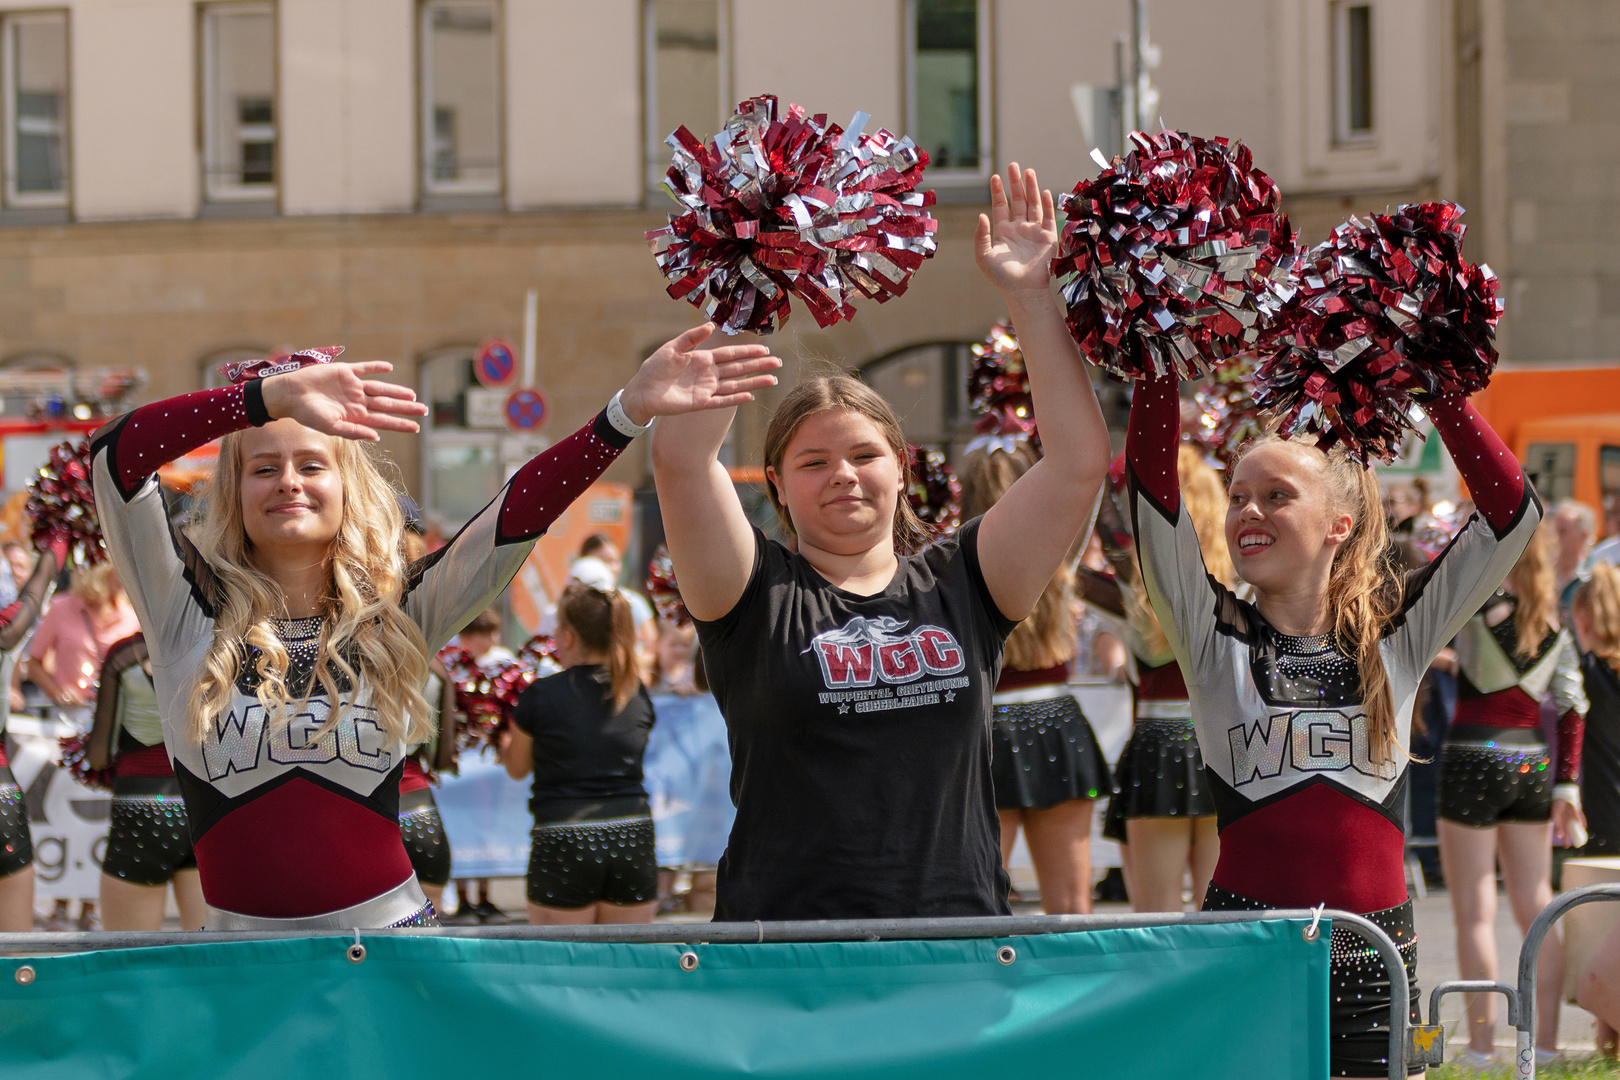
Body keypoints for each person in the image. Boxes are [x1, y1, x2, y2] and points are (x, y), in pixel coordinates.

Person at [90, 336, 778, 930]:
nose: (288, 483)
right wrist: (265, 399)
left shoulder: (399, 610)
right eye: (262, 467)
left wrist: (626, 413)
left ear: (347, 485)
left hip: (394, 954)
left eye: (311, 464)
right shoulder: (181, 608)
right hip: (245, 968)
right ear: (233, 491)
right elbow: (113, 458)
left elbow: (516, 516)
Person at [652, 164, 1111, 920]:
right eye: (814, 462)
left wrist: (1032, 297)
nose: (843, 476)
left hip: (955, 942)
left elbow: (1076, 464)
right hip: (789, 958)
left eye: (864, 456)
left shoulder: (963, 579)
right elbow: (679, 459)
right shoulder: (752, 593)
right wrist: (756, 265)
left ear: (900, 468)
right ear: (777, 484)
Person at [1127, 372, 1539, 1077]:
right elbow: (1150, 489)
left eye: (1276, 495)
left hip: (1376, 959)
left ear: (1337, 525)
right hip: (1245, 946)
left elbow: (1511, 513)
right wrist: (1155, 350)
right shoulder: (1208, 630)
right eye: (1237, 497)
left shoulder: (1399, 632)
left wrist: (1434, 381)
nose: (1247, 511)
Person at [1436, 521, 1586, 1066]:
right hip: (1534, 765)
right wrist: (1567, 784)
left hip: (1472, 756)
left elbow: (1425, 643)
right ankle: (1544, 1047)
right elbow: (1573, 708)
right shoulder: (1555, 626)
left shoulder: (1476, 609)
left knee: (1474, 912)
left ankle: (1479, 1050)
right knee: (1536, 906)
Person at [958, 440, 1108, 914]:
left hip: (983, 730)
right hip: (1059, 726)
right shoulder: (1061, 553)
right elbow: (1092, 481)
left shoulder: (952, 560)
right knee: (1071, 906)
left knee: (973, 904)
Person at [1087, 447, 1226, 913]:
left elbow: (1073, 577)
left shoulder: (1135, 576)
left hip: (1159, 742)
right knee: (1227, 915)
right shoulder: (1243, 578)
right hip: (1228, 741)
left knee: (1156, 919)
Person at [500, 582, 656, 924]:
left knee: (559, 969)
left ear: (568, 636)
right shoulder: (634, 692)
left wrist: (499, 735)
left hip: (566, 835)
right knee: (627, 966)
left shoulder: (542, 695)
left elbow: (517, 767)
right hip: (632, 834)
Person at [28, 559, 139, 931]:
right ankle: (60, 901)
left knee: (102, 818)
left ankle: (92, 905)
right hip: (66, 727)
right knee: (65, 813)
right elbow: (33, 662)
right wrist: (54, 689)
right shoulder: (63, 607)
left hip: (117, 729)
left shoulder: (135, 610)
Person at [86, 633, 207, 931]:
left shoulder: (124, 654)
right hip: (204, 806)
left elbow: (98, 756)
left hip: (139, 809)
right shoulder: (217, 643)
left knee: (130, 958)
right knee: (211, 955)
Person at [0, 537, 66, 932]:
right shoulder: (7, 625)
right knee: (14, 956)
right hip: (1, 795)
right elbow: (39, 582)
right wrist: (59, 537)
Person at [1574, 564, 1620, 1055]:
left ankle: (1608, 1053)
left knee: (1599, 971)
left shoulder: (1584, 675)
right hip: (1608, 816)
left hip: (1602, 817)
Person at [1554, 499, 1597, 621]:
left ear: (1583, 535)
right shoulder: (1543, 573)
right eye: (1554, 530)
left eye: (1563, 531)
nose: (1555, 538)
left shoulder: (1593, 577)